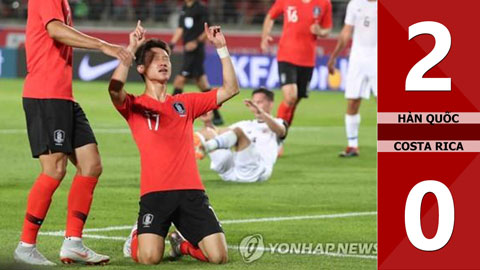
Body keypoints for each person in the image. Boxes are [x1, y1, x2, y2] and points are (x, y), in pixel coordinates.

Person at [109, 22, 239, 265]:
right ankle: (137, 233)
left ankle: (181, 245)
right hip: (155, 193)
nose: (163, 61)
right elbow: (115, 89)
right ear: (141, 68)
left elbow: (231, 89)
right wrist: (130, 49)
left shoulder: (185, 103)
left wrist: (222, 49)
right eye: (155, 58)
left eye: (166, 57)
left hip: (191, 192)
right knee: (149, 258)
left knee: (219, 256)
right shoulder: (134, 105)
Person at [14, 0, 132, 266]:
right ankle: (26, 245)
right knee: (54, 169)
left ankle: (73, 244)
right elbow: (55, 30)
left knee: (91, 164)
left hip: (63, 96)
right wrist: (103, 45)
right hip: (45, 94)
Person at [261, 0, 333, 127]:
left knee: (295, 100)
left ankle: (283, 129)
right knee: (290, 97)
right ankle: (277, 130)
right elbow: (270, 16)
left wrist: (320, 31)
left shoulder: (324, 3)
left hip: (307, 59)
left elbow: (327, 29)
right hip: (286, 55)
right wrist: (265, 36)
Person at [194, 87, 287, 182]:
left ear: (271, 104)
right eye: (254, 103)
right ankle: (197, 147)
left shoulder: (279, 122)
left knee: (238, 132)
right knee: (208, 131)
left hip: (255, 171)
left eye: (259, 102)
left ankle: (204, 147)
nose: (256, 106)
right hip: (230, 173)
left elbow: (281, 131)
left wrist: (262, 113)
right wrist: (207, 121)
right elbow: (219, 133)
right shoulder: (245, 124)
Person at [327, 0, 377, 157]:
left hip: (379, 58)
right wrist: (334, 56)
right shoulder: (354, 4)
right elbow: (346, 32)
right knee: (352, 101)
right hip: (357, 59)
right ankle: (352, 145)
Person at [170, 0, 224, 125]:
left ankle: (170, 110)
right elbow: (180, 28)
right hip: (187, 51)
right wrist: (171, 44)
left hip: (196, 51)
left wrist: (196, 42)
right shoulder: (183, 8)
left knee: (180, 80)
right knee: (203, 84)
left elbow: (207, 29)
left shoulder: (200, 8)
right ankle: (217, 116)